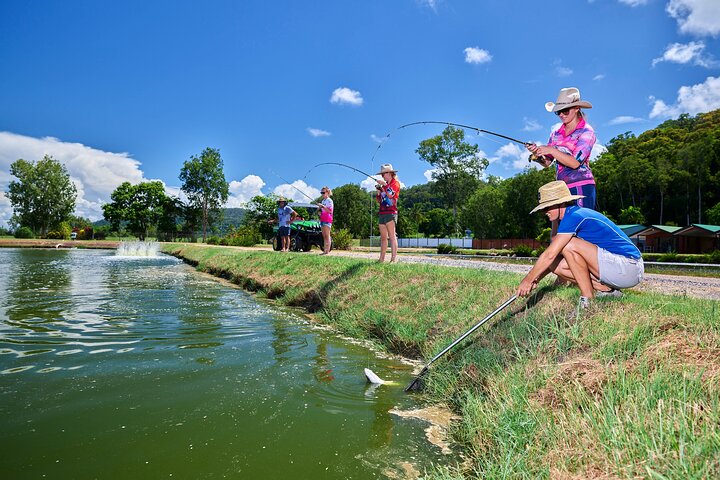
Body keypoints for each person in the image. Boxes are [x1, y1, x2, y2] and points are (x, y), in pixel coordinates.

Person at [517, 181, 643, 309]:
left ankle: (587, 300)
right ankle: (608, 291)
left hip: (629, 267)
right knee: (556, 264)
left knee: (567, 246)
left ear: (561, 203)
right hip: (619, 268)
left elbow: (550, 253)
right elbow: (553, 251)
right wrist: (536, 278)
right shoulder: (570, 215)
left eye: (547, 207)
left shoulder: (574, 216)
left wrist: (527, 280)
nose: (544, 212)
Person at [527, 87, 598, 211]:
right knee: (566, 227)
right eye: (558, 112)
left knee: (580, 225)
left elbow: (575, 163)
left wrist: (551, 150)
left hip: (582, 185)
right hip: (561, 189)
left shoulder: (587, 131)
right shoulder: (556, 134)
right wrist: (537, 154)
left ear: (577, 108)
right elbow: (547, 162)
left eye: (565, 111)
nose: (561, 115)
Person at [375, 164, 400, 263]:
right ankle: (381, 259)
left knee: (392, 236)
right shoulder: (384, 185)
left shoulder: (395, 183)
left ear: (390, 173)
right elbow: (380, 200)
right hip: (382, 212)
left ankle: (393, 260)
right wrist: (379, 191)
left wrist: (384, 186)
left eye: (384, 173)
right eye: (382, 174)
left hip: (391, 213)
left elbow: (391, 194)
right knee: (383, 238)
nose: (383, 176)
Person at [316, 186, 334, 255]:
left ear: (327, 192)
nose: (322, 194)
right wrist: (319, 207)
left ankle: (327, 251)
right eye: (321, 193)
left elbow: (330, 211)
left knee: (327, 235)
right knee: (324, 236)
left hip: (328, 219)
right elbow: (321, 210)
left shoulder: (329, 200)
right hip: (322, 218)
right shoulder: (323, 201)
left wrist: (323, 206)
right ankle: (324, 250)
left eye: (323, 192)